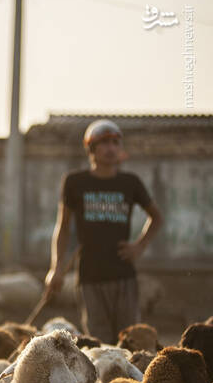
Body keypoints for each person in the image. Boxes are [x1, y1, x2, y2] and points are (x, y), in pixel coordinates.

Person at [44, 119, 163, 343]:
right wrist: (56, 268)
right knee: (100, 344)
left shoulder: (130, 183)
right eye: (104, 143)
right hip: (90, 276)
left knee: (131, 341)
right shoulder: (75, 182)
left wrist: (139, 246)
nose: (111, 148)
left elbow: (157, 218)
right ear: (91, 149)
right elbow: (63, 227)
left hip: (123, 274)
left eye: (116, 143)